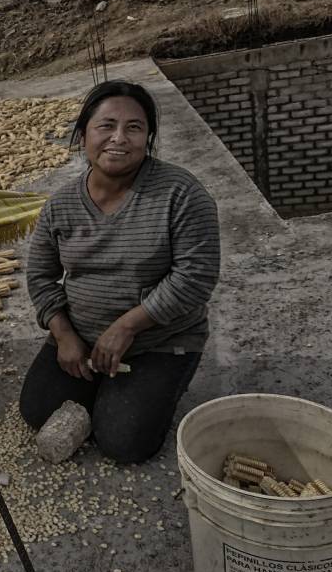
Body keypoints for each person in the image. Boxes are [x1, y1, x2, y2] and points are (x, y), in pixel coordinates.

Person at [20, 80, 220, 463]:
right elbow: (41, 277)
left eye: (134, 127)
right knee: (37, 410)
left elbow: (194, 277)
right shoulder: (61, 205)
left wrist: (126, 326)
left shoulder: (181, 194)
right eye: (106, 126)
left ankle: (156, 381)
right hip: (82, 337)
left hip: (157, 342)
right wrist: (63, 334)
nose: (119, 138)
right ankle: (106, 381)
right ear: (82, 136)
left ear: (148, 137)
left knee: (124, 443)